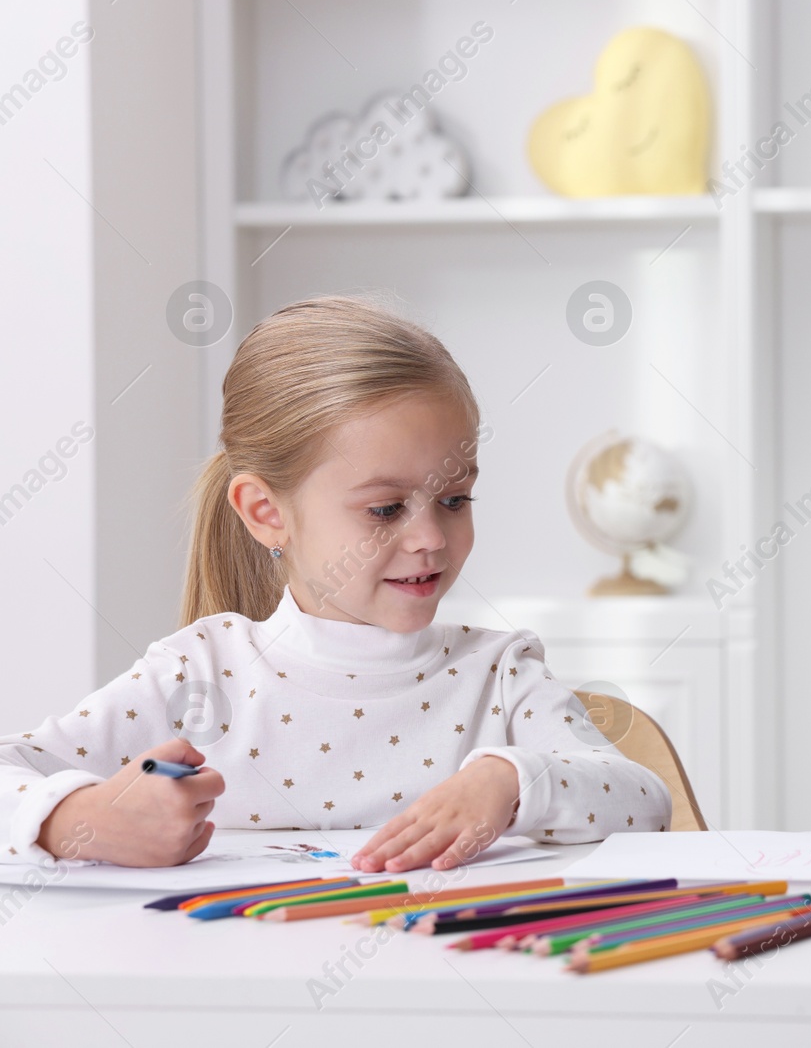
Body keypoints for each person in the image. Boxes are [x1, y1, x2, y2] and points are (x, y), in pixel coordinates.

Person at [1, 296, 671, 871]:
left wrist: (510, 781)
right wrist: (76, 819)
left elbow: (645, 799)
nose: (431, 538)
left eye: (455, 499)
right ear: (267, 513)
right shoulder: (197, 675)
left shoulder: (498, 675)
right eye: (385, 509)